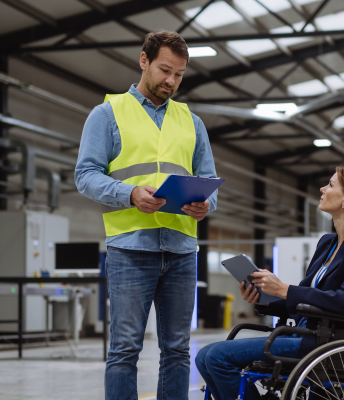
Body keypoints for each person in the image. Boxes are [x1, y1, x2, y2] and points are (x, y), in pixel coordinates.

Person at [74, 31, 218, 400]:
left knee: (177, 349)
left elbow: (207, 182)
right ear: (144, 61)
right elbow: (85, 175)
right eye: (165, 70)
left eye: (179, 75)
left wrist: (205, 205)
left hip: (182, 250)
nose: (171, 81)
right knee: (124, 349)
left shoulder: (193, 123)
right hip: (130, 249)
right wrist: (130, 193)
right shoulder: (107, 114)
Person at [195, 165, 344, 400]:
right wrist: (264, 300)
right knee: (204, 355)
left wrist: (285, 289)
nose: (322, 188)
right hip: (300, 333)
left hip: (324, 340)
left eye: (331, 184)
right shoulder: (327, 244)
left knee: (216, 357)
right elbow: (304, 297)